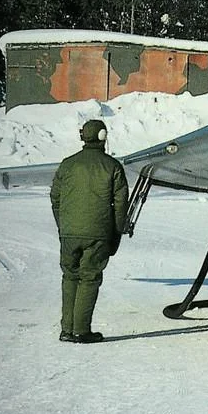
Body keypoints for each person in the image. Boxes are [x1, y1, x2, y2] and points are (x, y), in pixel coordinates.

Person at [50, 119, 129, 343]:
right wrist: (116, 233)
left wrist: (63, 225)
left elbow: (55, 197)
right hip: (98, 234)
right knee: (90, 277)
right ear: (103, 136)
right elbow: (121, 205)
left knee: (70, 275)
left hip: (69, 233)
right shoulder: (112, 167)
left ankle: (67, 329)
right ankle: (81, 331)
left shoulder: (67, 164)